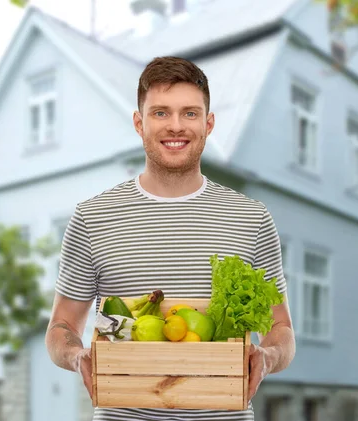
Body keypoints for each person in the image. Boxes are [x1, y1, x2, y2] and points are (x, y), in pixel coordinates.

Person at [45, 56, 296, 421]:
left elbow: (281, 328)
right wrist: (77, 354)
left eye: (190, 114)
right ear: (139, 122)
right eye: (160, 113)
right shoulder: (92, 218)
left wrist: (269, 357)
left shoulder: (251, 219)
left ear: (209, 124)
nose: (176, 126)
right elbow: (61, 327)